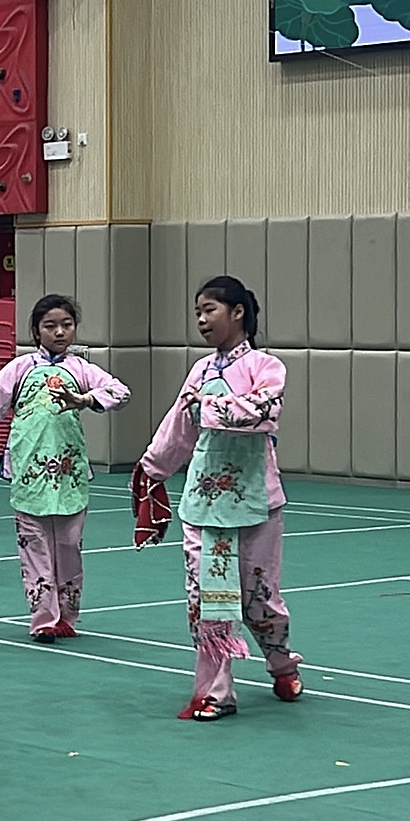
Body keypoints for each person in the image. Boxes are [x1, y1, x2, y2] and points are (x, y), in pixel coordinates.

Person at [134, 275, 303, 722]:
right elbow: (178, 426)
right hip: (204, 503)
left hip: (256, 501)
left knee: (260, 598)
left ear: (238, 312)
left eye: (209, 310)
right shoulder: (200, 371)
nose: (202, 320)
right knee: (208, 599)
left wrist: (206, 408)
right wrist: (151, 470)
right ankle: (215, 692)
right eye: (197, 313)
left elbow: (263, 412)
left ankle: (281, 662)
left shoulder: (267, 366)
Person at [0, 295, 130, 642]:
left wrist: (85, 400)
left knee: (69, 548)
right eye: (50, 326)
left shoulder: (81, 369)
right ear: (35, 331)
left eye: (66, 325)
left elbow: (120, 392)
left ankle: (67, 616)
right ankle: (43, 619)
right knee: (34, 547)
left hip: (69, 473)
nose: (60, 332)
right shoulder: (19, 368)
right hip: (28, 471)